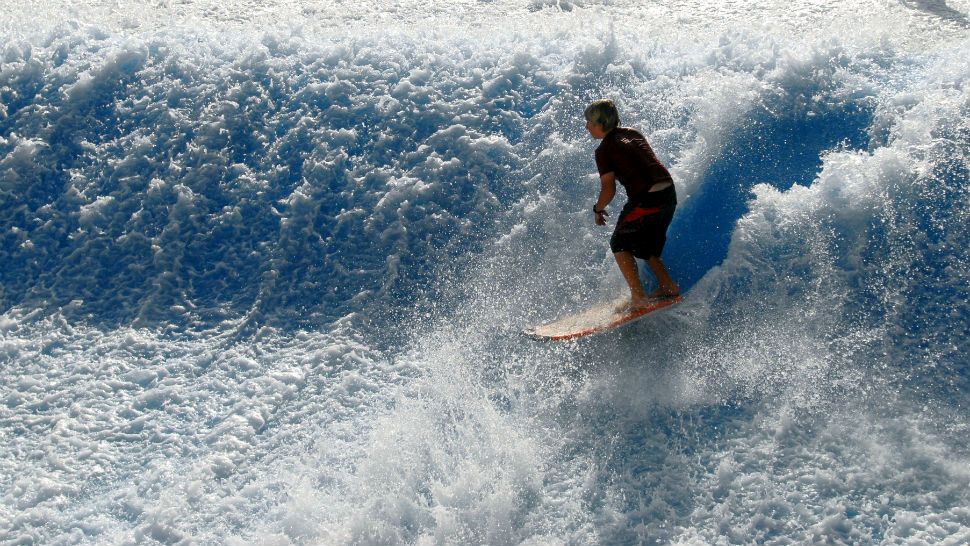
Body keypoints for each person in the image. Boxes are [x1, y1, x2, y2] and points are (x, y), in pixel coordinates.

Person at [584, 98, 680, 312]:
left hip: (647, 198)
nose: (586, 126)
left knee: (619, 243)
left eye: (589, 122)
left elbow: (608, 189)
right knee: (645, 244)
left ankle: (639, 297)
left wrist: (598, 209)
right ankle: (668, 286)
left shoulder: (603, 150)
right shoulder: (633, 133)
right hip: (668, 193)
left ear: (600, 124)